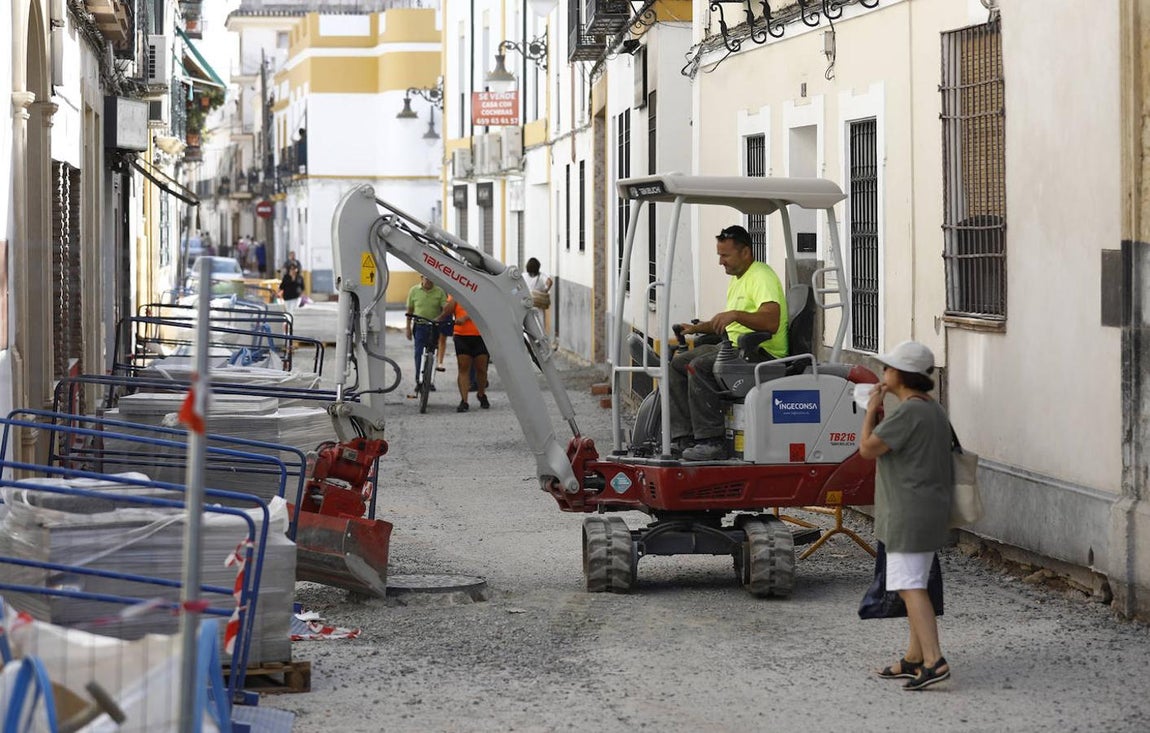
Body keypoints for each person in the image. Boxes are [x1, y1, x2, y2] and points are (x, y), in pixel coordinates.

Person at [857, 340, 954, 691]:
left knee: (909, 585)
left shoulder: (909, 412)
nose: (884, 374)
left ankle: (934, 660)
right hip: (925, 508)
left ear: (900, 374)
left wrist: (871, 408)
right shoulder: (931, 408)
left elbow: (867, 449)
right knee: (915, 582)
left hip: (908, 512)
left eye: (888, 368)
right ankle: (915, 657)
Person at [671, 224, 788, 461]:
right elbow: (727, 323)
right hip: (735, 347)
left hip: (761, 352)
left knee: (699, 366)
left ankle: (711, 441)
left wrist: (735, 314)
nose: (720, 262)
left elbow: (771, 321)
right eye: (719, 255)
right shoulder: (738, 278)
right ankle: (684, 438)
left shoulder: (761, 276)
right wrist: (696, 328)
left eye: (725, 255)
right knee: (678, 363)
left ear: (745, 252)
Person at [440, 296, 489, 412]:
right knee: (463, 368)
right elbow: (448, 310)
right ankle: (464, 400)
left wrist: (466, 317)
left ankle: (481, 394)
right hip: (461, 335)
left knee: (481, 369)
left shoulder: (480, 291)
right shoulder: (455, 293)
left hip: (481, 335)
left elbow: (484, 309)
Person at [405, 276, 448, 398]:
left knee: (432, 352)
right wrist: (408, 327)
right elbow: (410, 310)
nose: (429, 280)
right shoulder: (414, 290)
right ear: (421, 278)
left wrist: (441, 317)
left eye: (431, 278)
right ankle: (418, 380)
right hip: (419, 326)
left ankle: (430, 380)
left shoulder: (439, 291)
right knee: (418, 353)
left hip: (434, 327)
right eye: (426, 278)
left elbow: (445, 308)